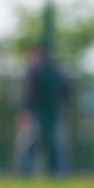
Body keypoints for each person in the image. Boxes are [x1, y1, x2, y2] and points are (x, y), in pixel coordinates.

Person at [16, 45, 72, 177]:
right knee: (56, 142)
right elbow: (67, 91)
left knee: (31, 143)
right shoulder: (59, 69)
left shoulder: (36, 70)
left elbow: (29, 93)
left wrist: (27, 110)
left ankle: (26, 172)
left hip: (39, 111)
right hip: (54, 111)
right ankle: (59, 172)